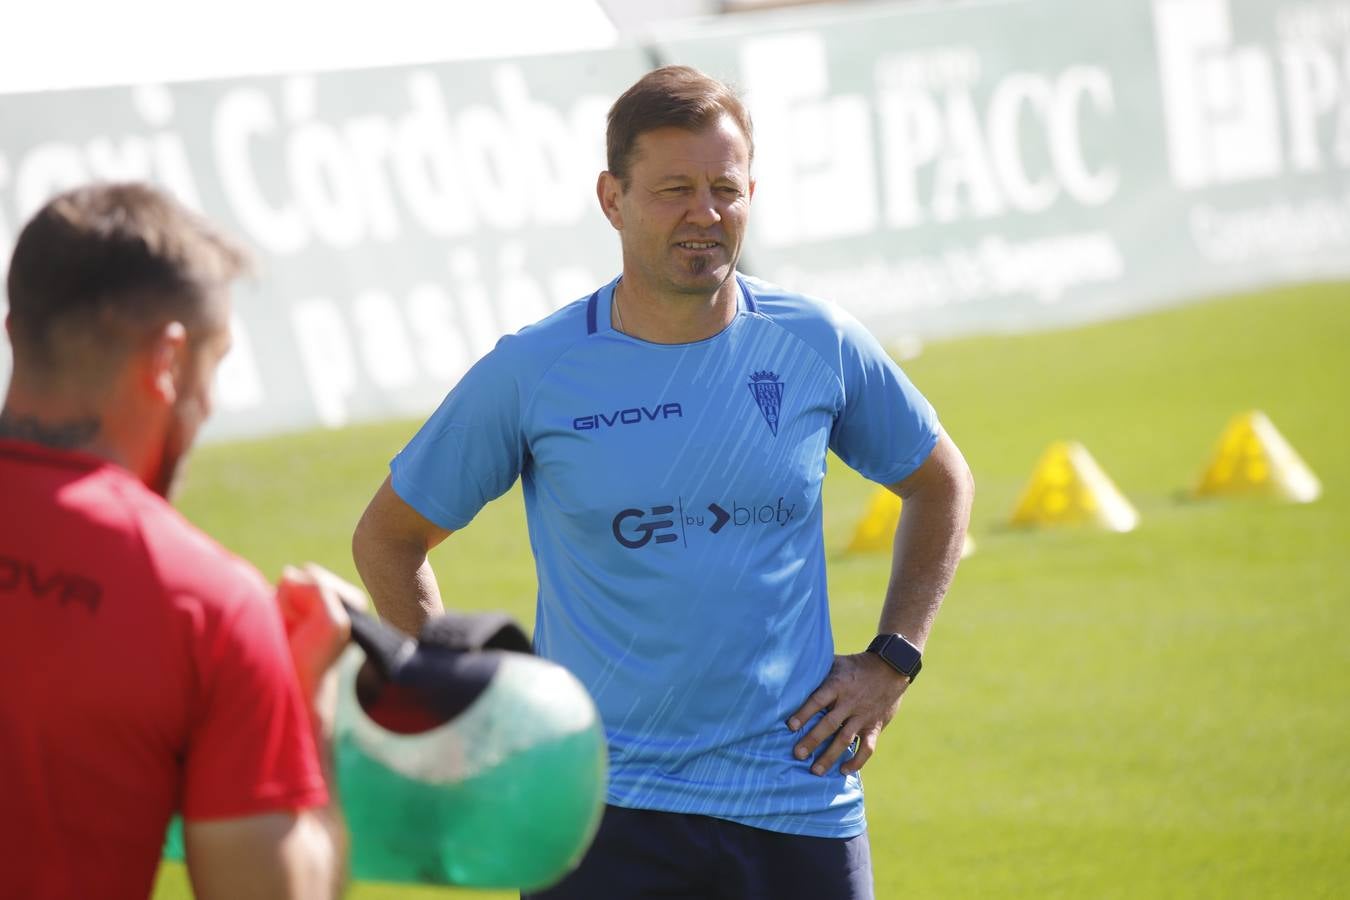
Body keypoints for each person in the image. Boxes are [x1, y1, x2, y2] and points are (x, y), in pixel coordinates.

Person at [352, 65, 975, 899]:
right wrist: (454, 711)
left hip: (795, 795)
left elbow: (941, 483)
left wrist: (893, 660)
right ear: (612, 199)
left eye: (724, 189)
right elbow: (388, 538)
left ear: (751, 193)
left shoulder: (817, 343)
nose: (704, 214)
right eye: (674, 189)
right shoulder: (535, 370)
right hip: (595, 808)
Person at [0, 182, 361, 900]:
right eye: (215, 362)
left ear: (16, 331)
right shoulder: (204, 604)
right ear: (167, 361)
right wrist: (305, 702)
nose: (210, 403)